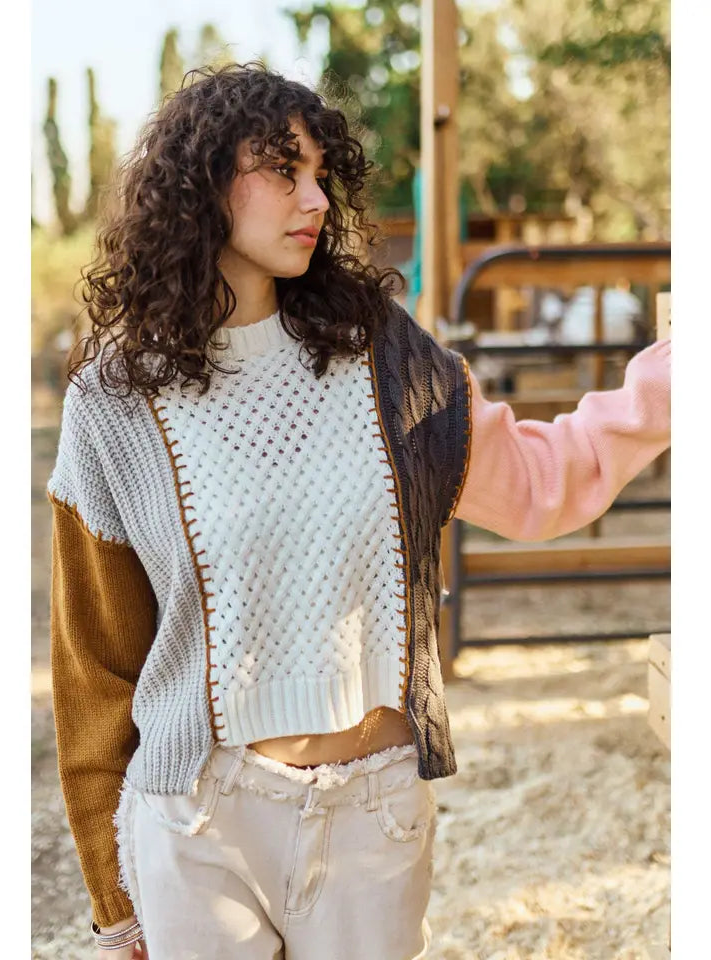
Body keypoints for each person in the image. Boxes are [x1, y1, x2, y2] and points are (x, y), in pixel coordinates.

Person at [47, 61, 671, 960]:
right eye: (282, 170)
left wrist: (673, 376)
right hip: (196, 828)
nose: (313, 198)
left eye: (320, 174)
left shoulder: (384, 359)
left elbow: (544, 486)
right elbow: (94, 665)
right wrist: (114, 900)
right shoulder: (113, 399)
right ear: (202, 185)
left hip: (373, 817)